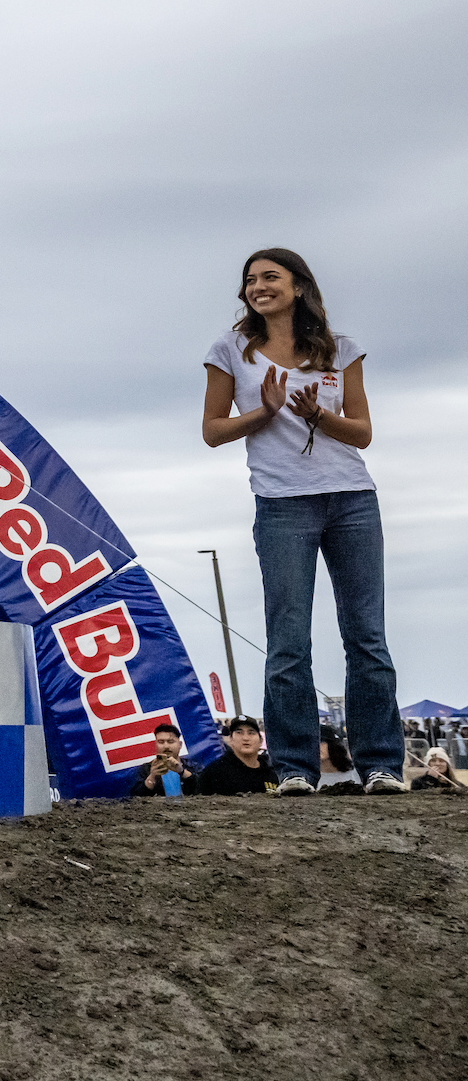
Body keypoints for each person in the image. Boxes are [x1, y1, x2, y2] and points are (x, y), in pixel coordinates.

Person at [202, 248, 405, 795]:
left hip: (353, 500)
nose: (258, 286)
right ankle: (293, 768)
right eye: (250, 280)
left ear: (299, 287)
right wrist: (265, 413)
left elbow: (362, 432)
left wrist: (317, 415)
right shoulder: (229, 349)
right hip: (282, 503)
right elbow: (213, 431)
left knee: (366, 636)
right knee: (288, 640)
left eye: (271, 277)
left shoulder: (341, 348)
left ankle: (382, 764)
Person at [196, 715, 279, 795]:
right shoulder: (214, 773)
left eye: (251, 733)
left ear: (261, 741)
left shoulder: (273, 772)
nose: (245, 738)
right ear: (231, 739)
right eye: (239, 732)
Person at [128, 721, 200, 797]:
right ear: (156, 745)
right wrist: (152, 777)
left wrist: (182, 772)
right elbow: (135, 798)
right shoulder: (145, 769)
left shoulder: (193, 766)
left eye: (170, 742)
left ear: (180, 745)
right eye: (161, 742)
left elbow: (204, 789)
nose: (166, 746)